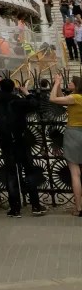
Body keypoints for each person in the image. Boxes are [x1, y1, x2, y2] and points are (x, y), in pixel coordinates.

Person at [0, 78, 46, 218]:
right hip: (20, 139)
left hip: (6, 141)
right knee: (29, 172)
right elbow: (35, 104)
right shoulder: (17, 101)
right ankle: (35, 205)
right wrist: (26, 92)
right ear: (13, 88)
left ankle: (15, 208)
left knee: (11, 174)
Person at [50, 74, 82, 216]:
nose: (69, 83)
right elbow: (63, 99)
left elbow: (53, 99)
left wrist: (56, 83)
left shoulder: (75, 98)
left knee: (75, 174)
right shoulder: (76, 99)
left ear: (77, 85)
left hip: (73, 134)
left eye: (71, 82)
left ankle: (78, 208)